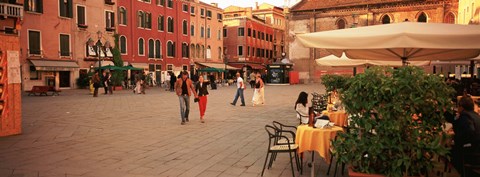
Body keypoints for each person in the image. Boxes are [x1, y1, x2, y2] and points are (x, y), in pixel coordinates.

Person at [445, 96, 480, 177]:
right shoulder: (476, 116)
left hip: (471, 153)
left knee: (447, 153)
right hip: (477, 151)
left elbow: (469, 131)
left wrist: (458, 140)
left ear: (461, 107)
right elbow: (454, 120)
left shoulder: (465, 117)